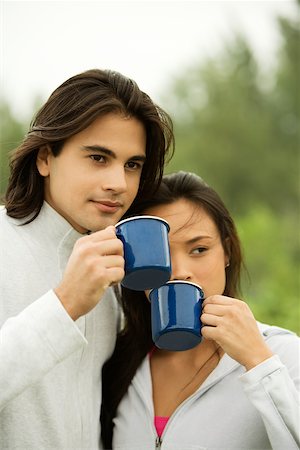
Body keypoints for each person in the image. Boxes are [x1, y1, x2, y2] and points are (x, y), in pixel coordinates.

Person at [0, 68, 174, 449]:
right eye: (99, 157)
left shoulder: (112, 272)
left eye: (133, 165)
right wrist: (64, 305)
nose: (119, 183)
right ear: (46, 157)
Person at [101, 171, 300, 450]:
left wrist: (259, 363)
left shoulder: (284, 354)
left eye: (199, 249)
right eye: (163, 255)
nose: (181, 272)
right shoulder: (119, 362)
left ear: (227, 252)